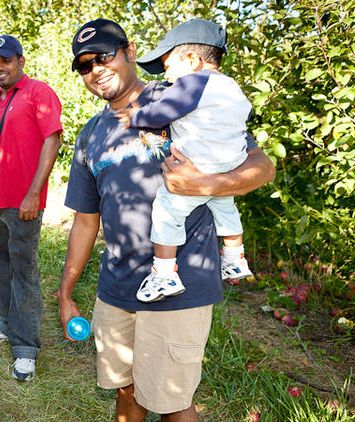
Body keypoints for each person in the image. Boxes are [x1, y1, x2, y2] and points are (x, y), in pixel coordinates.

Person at [57, 19, 275, 420]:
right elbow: (86, 221)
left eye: (104, 56)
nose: (95, 69)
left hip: (179, 285)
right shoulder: (90, 135)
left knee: (172, 404)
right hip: (116, 287)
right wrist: (66, 292)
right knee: (126, 390)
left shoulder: (185, 95)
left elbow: (262, 167)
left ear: (131, 52)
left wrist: (210, 182)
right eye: (84, 65)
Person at [113, 18, 254, 303]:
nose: (167, 77)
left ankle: (164, 274)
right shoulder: (232, 87)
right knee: (225, 206)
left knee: (166, 210)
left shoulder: (193, 82)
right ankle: (235, 257)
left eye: (168, 66)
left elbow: (163, 111)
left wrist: (135, 117)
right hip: (231, 161)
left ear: (192, 60)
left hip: (199, 164)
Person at [0, 34, 62, 381]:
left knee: (25, 273)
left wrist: (34, 193)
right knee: (0, 268)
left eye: (5, 60)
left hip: (24, 204)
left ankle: (26, 349)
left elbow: (53, 139)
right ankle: (6, 324)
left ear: (20, 61)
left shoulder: (39, 93)